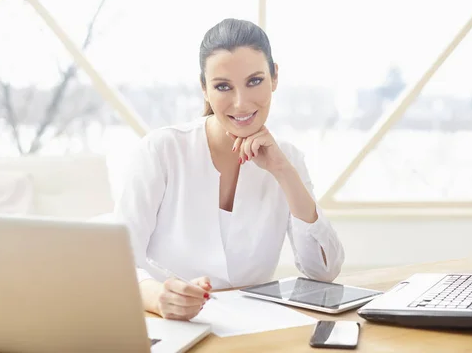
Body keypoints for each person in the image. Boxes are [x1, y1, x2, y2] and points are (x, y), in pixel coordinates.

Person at [115, 18, 344, 321]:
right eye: (223, 86)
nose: (240, 103)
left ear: (275, 77)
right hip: (168, 328)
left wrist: (284, 173)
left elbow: (323, 272)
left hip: (253, 331)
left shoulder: (287, 159)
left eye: (255, 81)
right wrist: (158, 298)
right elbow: (116, 262)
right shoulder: (161, 151)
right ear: (204, 89)